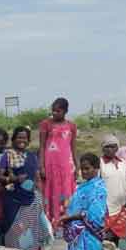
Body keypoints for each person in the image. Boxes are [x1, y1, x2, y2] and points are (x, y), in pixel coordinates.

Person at [0, 126, 52, 250]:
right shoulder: (8, 155)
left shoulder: (32, 156)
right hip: (13, 201)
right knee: (14, 232)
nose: (22, 140)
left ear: (28, 141)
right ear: (13, 139)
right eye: (19, 137)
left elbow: (37, 179)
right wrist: (14, 179)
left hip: (31, 201)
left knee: (32, 231)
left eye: (25, 138)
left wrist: (41, 198)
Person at [39, 97, 78, 226]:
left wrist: (76, 167)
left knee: (66, 191)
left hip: (66, 165)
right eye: (53, 111)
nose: (55, 113)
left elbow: (73, 147)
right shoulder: (46, 124)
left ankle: (65, 220)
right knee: (51, 191)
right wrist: (42, 166)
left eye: (58, 111)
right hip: (50, 164)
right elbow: (42, 146)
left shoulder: (71, 126)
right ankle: (51, 221)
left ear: (65, 111)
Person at [98, 134, 126, 242]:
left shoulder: (123, 163)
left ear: (117, 148)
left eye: (113, 146)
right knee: (105, 237)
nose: (110, 149)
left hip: (120, 207)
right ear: (102, 148)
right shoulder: (99, 163)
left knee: (116, 238)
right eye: (107, 147)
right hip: (106, 208)